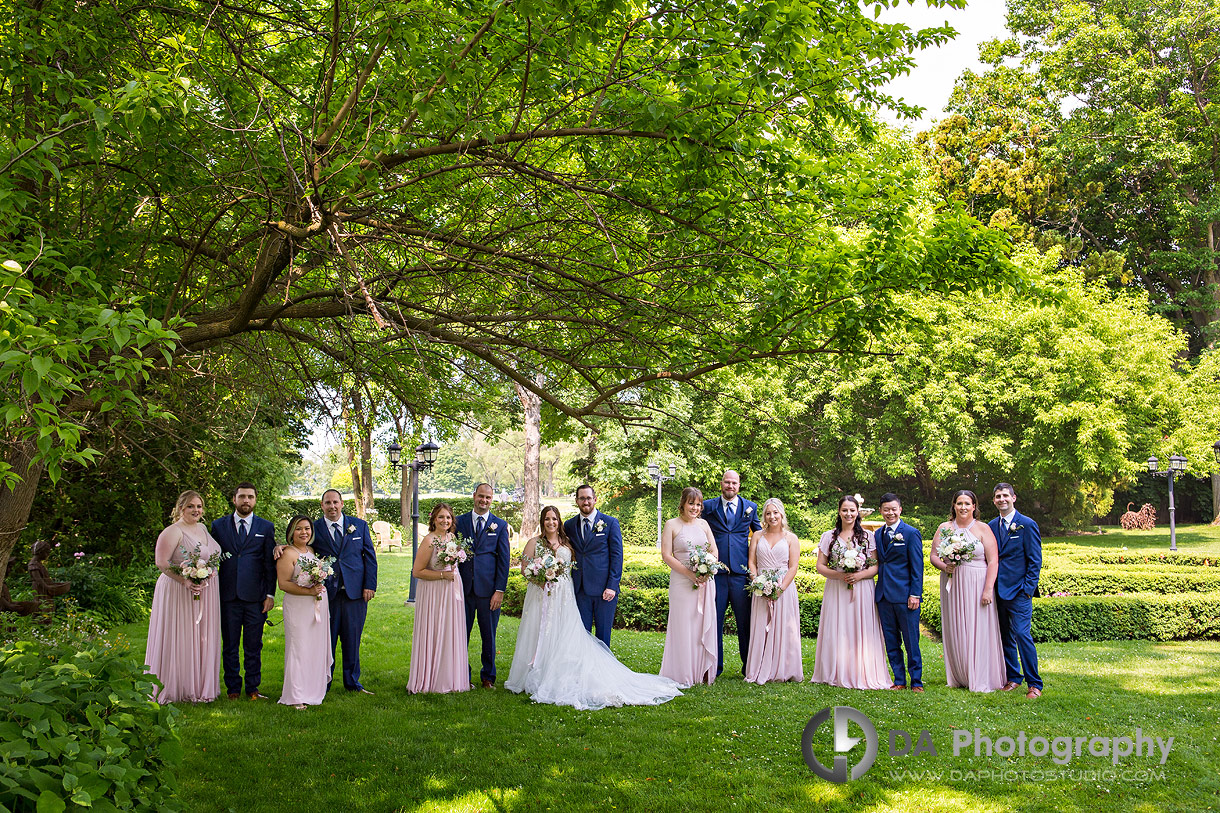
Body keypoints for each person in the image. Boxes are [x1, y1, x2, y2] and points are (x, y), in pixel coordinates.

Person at [506, 506, 681, 709]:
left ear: (559, 521)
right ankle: (536, 670)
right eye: (547, 519)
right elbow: (525, 569)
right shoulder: (534, 542)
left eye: (554, 519)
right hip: (541, 595)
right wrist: (541, 578)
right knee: (539, 630)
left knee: (565, 632)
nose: (551, 522)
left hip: (564, 594)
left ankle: (562, 670)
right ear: (542, 521)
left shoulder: (566, 542)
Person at [144, 490, 221, 703]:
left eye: (199, 506)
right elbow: (162, 562)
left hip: (204, 590)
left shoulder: (203, 528)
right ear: (180, 508)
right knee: (181, 635)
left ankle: (197, 686)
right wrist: (185, 579)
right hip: (179, 591)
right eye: (191, 506)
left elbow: (210, 557)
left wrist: (210, 572)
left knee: (199, 636)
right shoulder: (172, 531)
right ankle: (176, 686)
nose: (196, 510)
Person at [810, 494, 890, 690]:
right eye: (845, 510)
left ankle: (862, 671)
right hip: (836, 588)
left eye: (852, 510)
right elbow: (820, 566)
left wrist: (859, 576)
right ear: (839, 512)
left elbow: (874, 566)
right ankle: (835, 670)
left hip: (862, 589)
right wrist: (839, 576)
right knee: (838, 626)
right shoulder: (828, 536)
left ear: (857, 512)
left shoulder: (867, 536)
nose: (848, 514)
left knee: (859, 627)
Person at [931, 490, 1005, 692]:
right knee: (956, 625)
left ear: (974, 506)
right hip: (952, 582)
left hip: (978, 583)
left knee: (977, 626)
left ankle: (980, 675)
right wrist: (945, 566)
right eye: (959, 503)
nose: (963, 507)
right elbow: (934, 556)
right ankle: (960, 674)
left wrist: (988, 589)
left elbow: (993, 561)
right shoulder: (944, 528)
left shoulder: (983, 528)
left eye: (967, 503)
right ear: (954, 505)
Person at [210, 482, 277, 700]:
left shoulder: (265, 528)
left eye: (250, 497)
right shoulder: (218, 526)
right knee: (229, 645)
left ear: (255, 500)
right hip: (227, 596)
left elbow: (269, 564)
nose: (246, 501)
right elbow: (210, 559)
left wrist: (269, 594)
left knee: (253, 645)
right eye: (242, 497)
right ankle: (232, 689)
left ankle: (253, 688)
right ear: (234, 499)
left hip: (255, 598)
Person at [312, 489, 377, 694]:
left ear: (341, 504)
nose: (332, 506)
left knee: (352, 639)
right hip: (326, 594)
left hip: (355, 593)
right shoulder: (314, 529)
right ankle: (323, 683)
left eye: (335, 502)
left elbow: (370, 558)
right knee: (326, 641)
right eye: (327, 503)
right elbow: (301, 549)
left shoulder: (359, 526)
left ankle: (352, 682)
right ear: (322, 505)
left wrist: (369, 585)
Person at [703, 470, 762, 676]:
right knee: (714, 622)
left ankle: (749, 667)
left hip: (740, 575)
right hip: (715, 574)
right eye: (727, 482)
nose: (730, 486)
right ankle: (714, 668)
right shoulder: (708, 506)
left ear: (739, 485)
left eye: (734, 483)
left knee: (745, 623)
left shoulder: (750, 507)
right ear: (721, 483)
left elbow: (760, 534)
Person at [659, 487, 720, 687]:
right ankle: (683, 671)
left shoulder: (703, 524)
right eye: (691, 503)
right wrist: (690, 574)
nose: (695, 508)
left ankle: (702, 670)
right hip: (682, 583)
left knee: (702, 624)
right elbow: (667, 555)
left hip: (704, 583)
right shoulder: (671, 525)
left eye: (698, 504)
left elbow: (714, 551)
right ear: (683, 503)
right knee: (684, 625)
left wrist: (707, 570)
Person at [408, 503, 470, 694]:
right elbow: (417, 572)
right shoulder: (429, 540)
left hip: (451, 591)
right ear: (434, 519)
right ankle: (430, 680)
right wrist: (443, 576)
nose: (445, 521)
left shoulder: (451, 538)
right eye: (441, 517)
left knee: (450, 632)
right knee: (435, 631)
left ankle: (450, 679)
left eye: (448, 517)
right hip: (434, 592)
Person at [989, 483, 1044, 698]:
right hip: (997, 592)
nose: (1001, 499)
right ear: (994, 500)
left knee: (1022, 634)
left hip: (1020, 592)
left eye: (1005, 495)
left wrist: (1027, 590)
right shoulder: (992, 526)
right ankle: (1013, 678)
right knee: (1005, 637)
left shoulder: (1027, 525)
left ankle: (1035, 684)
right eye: (997, 496)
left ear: (1014, 498)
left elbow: (1035, 560)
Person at [456, 483, 510, 688]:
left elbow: (504, 561)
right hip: (463, 589)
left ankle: (488, 676)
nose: (484, 501)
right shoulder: (459, 522)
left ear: (492, 499)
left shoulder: (500, 525)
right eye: (481, 496)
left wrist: (499, 590)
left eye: (488, 497)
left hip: (489, 591)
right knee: (461, 634)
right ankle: (462, 674)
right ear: (474, 496)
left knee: (489, 635)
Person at [743, 498, 803, 684]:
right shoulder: (758, 536)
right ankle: (759, 668)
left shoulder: (791, 538)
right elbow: (752, 562)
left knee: (783, 627)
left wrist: (780, 588)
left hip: (783, 588)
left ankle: (782, 668)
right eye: (768, 513)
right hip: (760, 588)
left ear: (782, 514)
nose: (772, 516)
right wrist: (757, 582)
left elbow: (793, 567)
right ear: (764, 516)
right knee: (762, 627)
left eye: (775, 512)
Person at [277, 515, 333, 709]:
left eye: (307, 528)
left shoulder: (311, 550)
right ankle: (295, 695)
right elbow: (283, 584)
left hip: (315, 606)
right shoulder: (288, 553)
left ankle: (311, 689)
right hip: (298, 607)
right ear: (292, 532)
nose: (304, 532)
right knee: (298, 649)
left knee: (312, 648)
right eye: (299, 529)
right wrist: (309, 591)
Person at [874, 492, 924, 692]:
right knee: (891, 640)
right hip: (884, 595)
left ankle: (917, 681)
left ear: (900, 510)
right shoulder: (878, 534)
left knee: (911, 640)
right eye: (886, 509)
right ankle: (899, 679)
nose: (890, 513)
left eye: (893, 509)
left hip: (905, 596)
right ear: (881, 511)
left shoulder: (910, 533)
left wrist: (915, 594)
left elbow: (917, 566)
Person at [562, 484, 623, 647]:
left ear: (595, 499)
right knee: (582, 635)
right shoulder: (569, 525)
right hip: (580, 589)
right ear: (577, 501)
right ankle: (584, 671)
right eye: (582, 498)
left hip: (605, 590)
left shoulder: (610, 523)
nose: (585, 501)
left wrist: (612, 586)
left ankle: (602, 672)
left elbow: (617, 557)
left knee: (603, 637)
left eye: (588, 498)